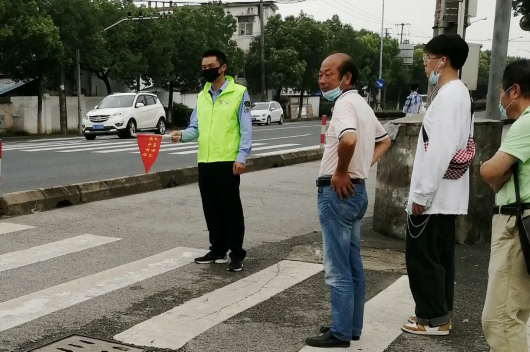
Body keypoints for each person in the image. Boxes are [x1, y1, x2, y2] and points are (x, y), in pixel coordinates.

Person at [305, 53, 391, 348]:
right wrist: (362, 166)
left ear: (347, 77)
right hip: (357, 193)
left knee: (337, 266)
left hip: (337, 193)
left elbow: (349, 139)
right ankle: (351, 326)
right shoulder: (361, 104)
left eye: (328, 74)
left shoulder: (344, 104)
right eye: (320, 74)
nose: (322, 79)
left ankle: (341, 333)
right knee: (353, 264)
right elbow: (385, 139)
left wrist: (341, 172)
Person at [401, 34, 471, 336]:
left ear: (443, 60)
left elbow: (439, 149)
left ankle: (430, 318)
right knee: (440, 258)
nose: (425, 63)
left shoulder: (447, 97)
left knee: (423, 258)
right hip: (448, 197)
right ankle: (441, 314)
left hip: (434, 197)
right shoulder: (460, 93)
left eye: (428, 57)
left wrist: (421, 194)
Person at [170, 49, 252, 272]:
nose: (207, 70)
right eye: (204, 67)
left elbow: (245, 129)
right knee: (211, 208)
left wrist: (241, 157)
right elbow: (195, 128)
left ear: (223, 67)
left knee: (231, 208)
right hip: (205, 161)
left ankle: (236, 253)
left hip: (228, 161)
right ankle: (217, 249)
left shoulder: (239, 93)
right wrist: (181, 135)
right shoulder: (202, 95)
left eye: (211, 66)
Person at [480, 59, 530, 352]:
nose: (501, 98)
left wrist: (491, 171)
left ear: (515, 90)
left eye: (502, 90)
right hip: (522, 220)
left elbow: (490, 171)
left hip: (517, 224)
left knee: (499, 318)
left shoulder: (525, 122)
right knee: (516, 311)